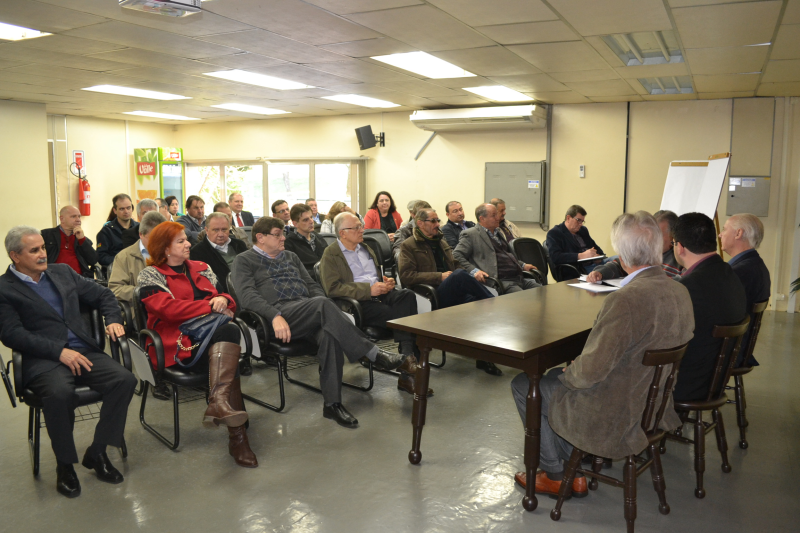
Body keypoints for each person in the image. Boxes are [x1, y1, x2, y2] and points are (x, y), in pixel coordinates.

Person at [509, 212, 694, 496]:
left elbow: (589, 373)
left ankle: (556, 474)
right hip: (653, 403)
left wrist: (571, 371)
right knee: (558, 377)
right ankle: (573, 465)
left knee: (526, 384)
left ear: (621, 255)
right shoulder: (680, 290)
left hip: (618, 410)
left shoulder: (625, 300)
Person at [0, 226, 137, 498]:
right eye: (34, 250)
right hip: (45, 360)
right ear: (15, 256)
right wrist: (59, 351)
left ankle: (97, 452)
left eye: (43, 247)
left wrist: (113, 320)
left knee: (124, 380)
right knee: (60, 393)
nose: (43, 254)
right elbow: (12, 334)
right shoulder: (4, 289)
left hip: (84, 351)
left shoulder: (62, 272)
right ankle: (64, 465)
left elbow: (104, 295)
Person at [232, 217, 405, 428]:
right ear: (260, 237)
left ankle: (332, 404)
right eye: (277, 234)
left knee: (329, 334)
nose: (283, 238)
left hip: (309, 311)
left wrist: (319, 304)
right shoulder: (244, 260)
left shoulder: (291, 256)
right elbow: (247, 297)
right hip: (278, 318)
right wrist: (274, 315)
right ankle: (373, 354)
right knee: (322, 304)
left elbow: (312, 286)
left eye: (282, 234)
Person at [136, 222, 257, 468]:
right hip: (177, 347)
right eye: (180, 241)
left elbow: (226, 298)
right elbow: (169, 310)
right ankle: (235, 434)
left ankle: (225, 413)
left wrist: (223, 300)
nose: (188, 243)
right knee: (229, 345)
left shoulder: (202, 267)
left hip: (211, 342)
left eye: (186, 239)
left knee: (227, 340)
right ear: (165, 248)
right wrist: (210, 306)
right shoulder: (150, 275)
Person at [319, 212, 432, 397]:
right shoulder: (331, 254)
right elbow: (332, 289)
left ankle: (407, 359)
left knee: (407, 296)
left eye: (361, 226)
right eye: (356, 227)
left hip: (380, 294)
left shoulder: (366, 248)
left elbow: (375, 276)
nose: (361, 230)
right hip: (358, 303)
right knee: (404, 317)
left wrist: (385, 281)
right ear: (342, 233)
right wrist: (368, 290)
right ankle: (409, 372)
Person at [397, 208, 501, 376]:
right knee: (459, 276)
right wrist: (439, 276)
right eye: (433, 221)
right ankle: (496, 303)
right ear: (420, 223)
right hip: (431, 295)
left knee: (480, 304)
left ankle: (484, 357)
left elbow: (456, 263)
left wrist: (471, 273)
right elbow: (406, 276)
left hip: (453, 291)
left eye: (438, 220)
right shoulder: (409, 245)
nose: (437, 224)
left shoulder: (441, 241)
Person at [672, 212, 747, 402]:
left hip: (688, 384)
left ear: (680, 247)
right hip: (716, 378)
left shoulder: (688, 287)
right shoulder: (729, 273)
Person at [719, 213, 771, 366]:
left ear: (738, 233)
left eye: (724, 229)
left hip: (730, 350)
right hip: (740, 346)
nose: (720, 234)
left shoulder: (739, 272)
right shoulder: (755, 265)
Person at [453, 203, 540, 294]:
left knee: (543, 293)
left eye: (497, 214)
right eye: (493, 215)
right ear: (482, 218)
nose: (498, 218)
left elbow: (506, 255)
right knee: (525, 298)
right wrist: (474, 271)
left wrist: (522, 265)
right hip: (500, 282)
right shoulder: (471, 234)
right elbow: (456, 255)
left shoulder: (498, 232)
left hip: (519, 278)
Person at [586, 209, 683, 283]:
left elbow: (676, 285)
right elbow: (621, 263)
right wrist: (600, 273)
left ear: (673, 236)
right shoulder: (645, 249)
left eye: (658, 234)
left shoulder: (681, 259)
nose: (653, 237)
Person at [109, 211, 166, 312]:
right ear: (141, 234)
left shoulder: (171, 252)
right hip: (140, 311)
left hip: (169, 306)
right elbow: (115, 288)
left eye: (163, 237)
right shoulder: (124, 257)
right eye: (154, 238)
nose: (160, 242)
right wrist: (142, 292)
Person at [189, 212, 247, 293]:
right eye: (216, 230)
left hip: (248, 287)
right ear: (207, 230)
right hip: (224, 294)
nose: (220, 234)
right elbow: (206, 284)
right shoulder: (197, 252)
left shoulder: (239, 244)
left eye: (224, 229)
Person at [545, 205, 607, 275]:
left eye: (582, 221)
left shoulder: (583, 230)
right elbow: (556, 256)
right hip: (579, 269)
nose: (581, 224)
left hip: (596, 264)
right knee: (609, 271)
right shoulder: (554, 233)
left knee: (615, 261)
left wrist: (597, 257)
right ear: (568, 218)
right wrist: (580, 256)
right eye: (578, 220)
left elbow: (596, 248)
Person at [42, 205, 98, 278]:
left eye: (79, 216)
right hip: (53, 278)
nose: (78, 220)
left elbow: (93, 260)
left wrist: (82, 239)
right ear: (62, 219)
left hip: (79, 279)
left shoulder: (83, 239)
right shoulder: (46, 235)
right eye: (73, 216)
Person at [284, 203, 329, 278]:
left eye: (311, 217)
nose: (311, 221)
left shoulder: (319, 238)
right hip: (307, 281)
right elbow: (293, 271)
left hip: (326, 277)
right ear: (295, 224)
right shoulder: (289, 243)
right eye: (305, 220)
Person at [97, 194, 138, 267]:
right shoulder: (107, 231)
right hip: (116, 268)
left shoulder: (139, 228)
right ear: (115, 210)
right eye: (122, 209)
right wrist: (121, 261)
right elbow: (101, 257)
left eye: (128, 208)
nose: (126, 211)